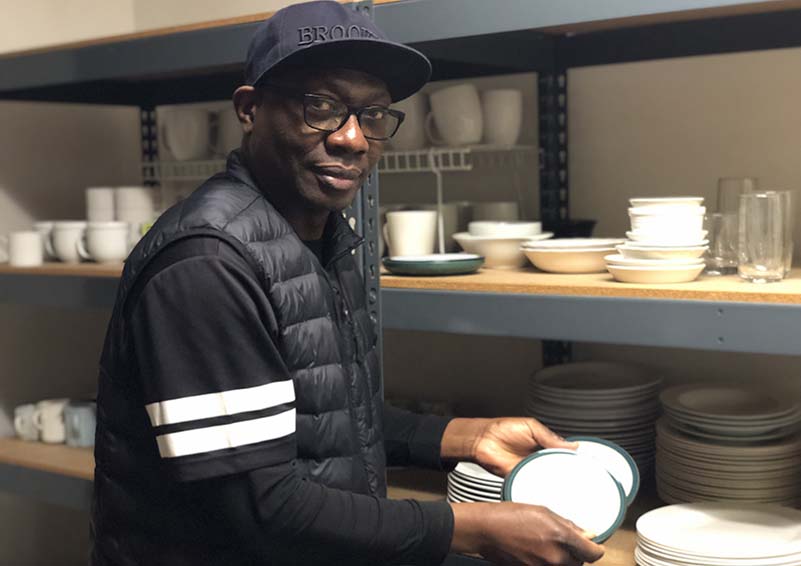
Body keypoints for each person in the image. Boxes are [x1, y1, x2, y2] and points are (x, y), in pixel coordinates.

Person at [90, 2, 605, 565]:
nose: (353, 139)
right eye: (322, 107)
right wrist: (470, 526)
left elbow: (323, 421)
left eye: (375, 113)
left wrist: (461, 436)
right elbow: (261, 508)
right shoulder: (207, 262)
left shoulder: (320, 235)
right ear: (250, 109)